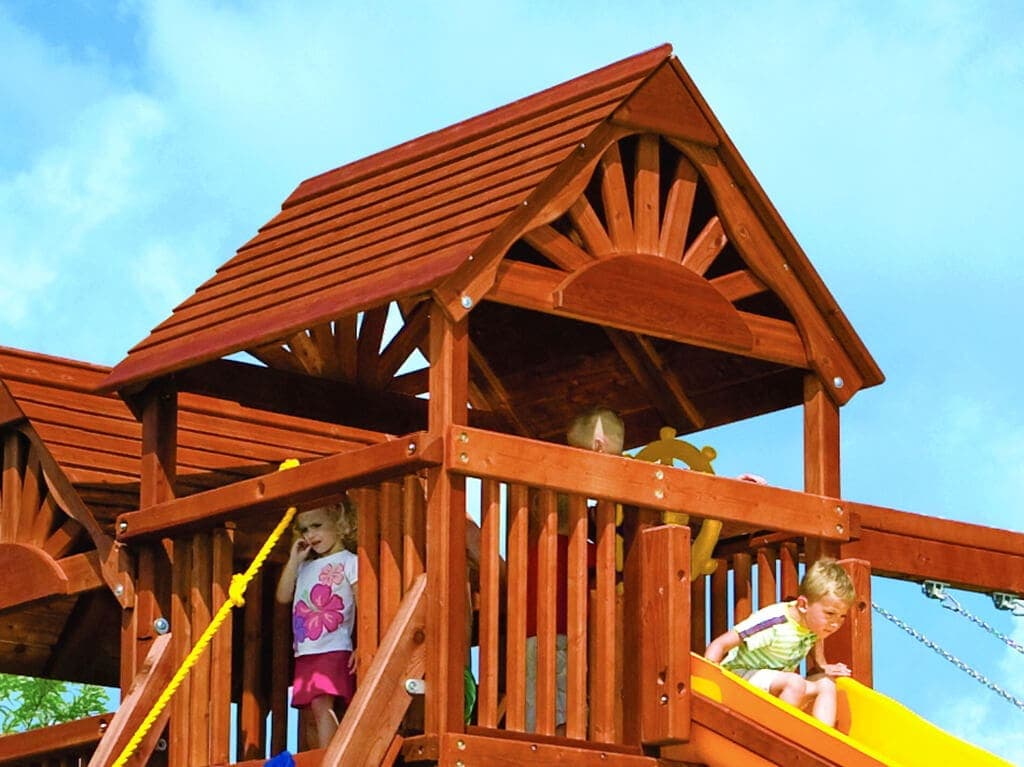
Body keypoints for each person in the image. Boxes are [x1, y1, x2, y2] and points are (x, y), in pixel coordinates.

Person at [524, 407, 624, 734]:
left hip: (532, 640)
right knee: (566, 716)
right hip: (564, 640)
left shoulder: (537, 550)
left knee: (539, 713)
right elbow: (614, 578)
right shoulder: (587, 551)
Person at [704, 557, 855, 727]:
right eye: (830, 614)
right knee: (795, 683)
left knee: (826, 684)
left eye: (842, 616)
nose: (836, 623)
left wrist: (822, 665)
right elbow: (721, 643)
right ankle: (779, 733)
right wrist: (709, 681)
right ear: (803, 605)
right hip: (738, 682)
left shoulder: (813, 625)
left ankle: (824, 741)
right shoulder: (774, 622)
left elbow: (815, 639)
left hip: (772, 688)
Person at [275, 500, 358, 749]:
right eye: (305, 530)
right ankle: (319, 756)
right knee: (311, 712)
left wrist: (362, 645)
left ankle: (329, 758)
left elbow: (364, 602)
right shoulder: (305, 567)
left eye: (317, 526)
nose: (311, 535)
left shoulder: (349, 562)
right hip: (306, 652)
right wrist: (293, 559)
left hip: (333, 648)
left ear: (339, 523)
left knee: (322, 705)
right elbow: (283, 595)